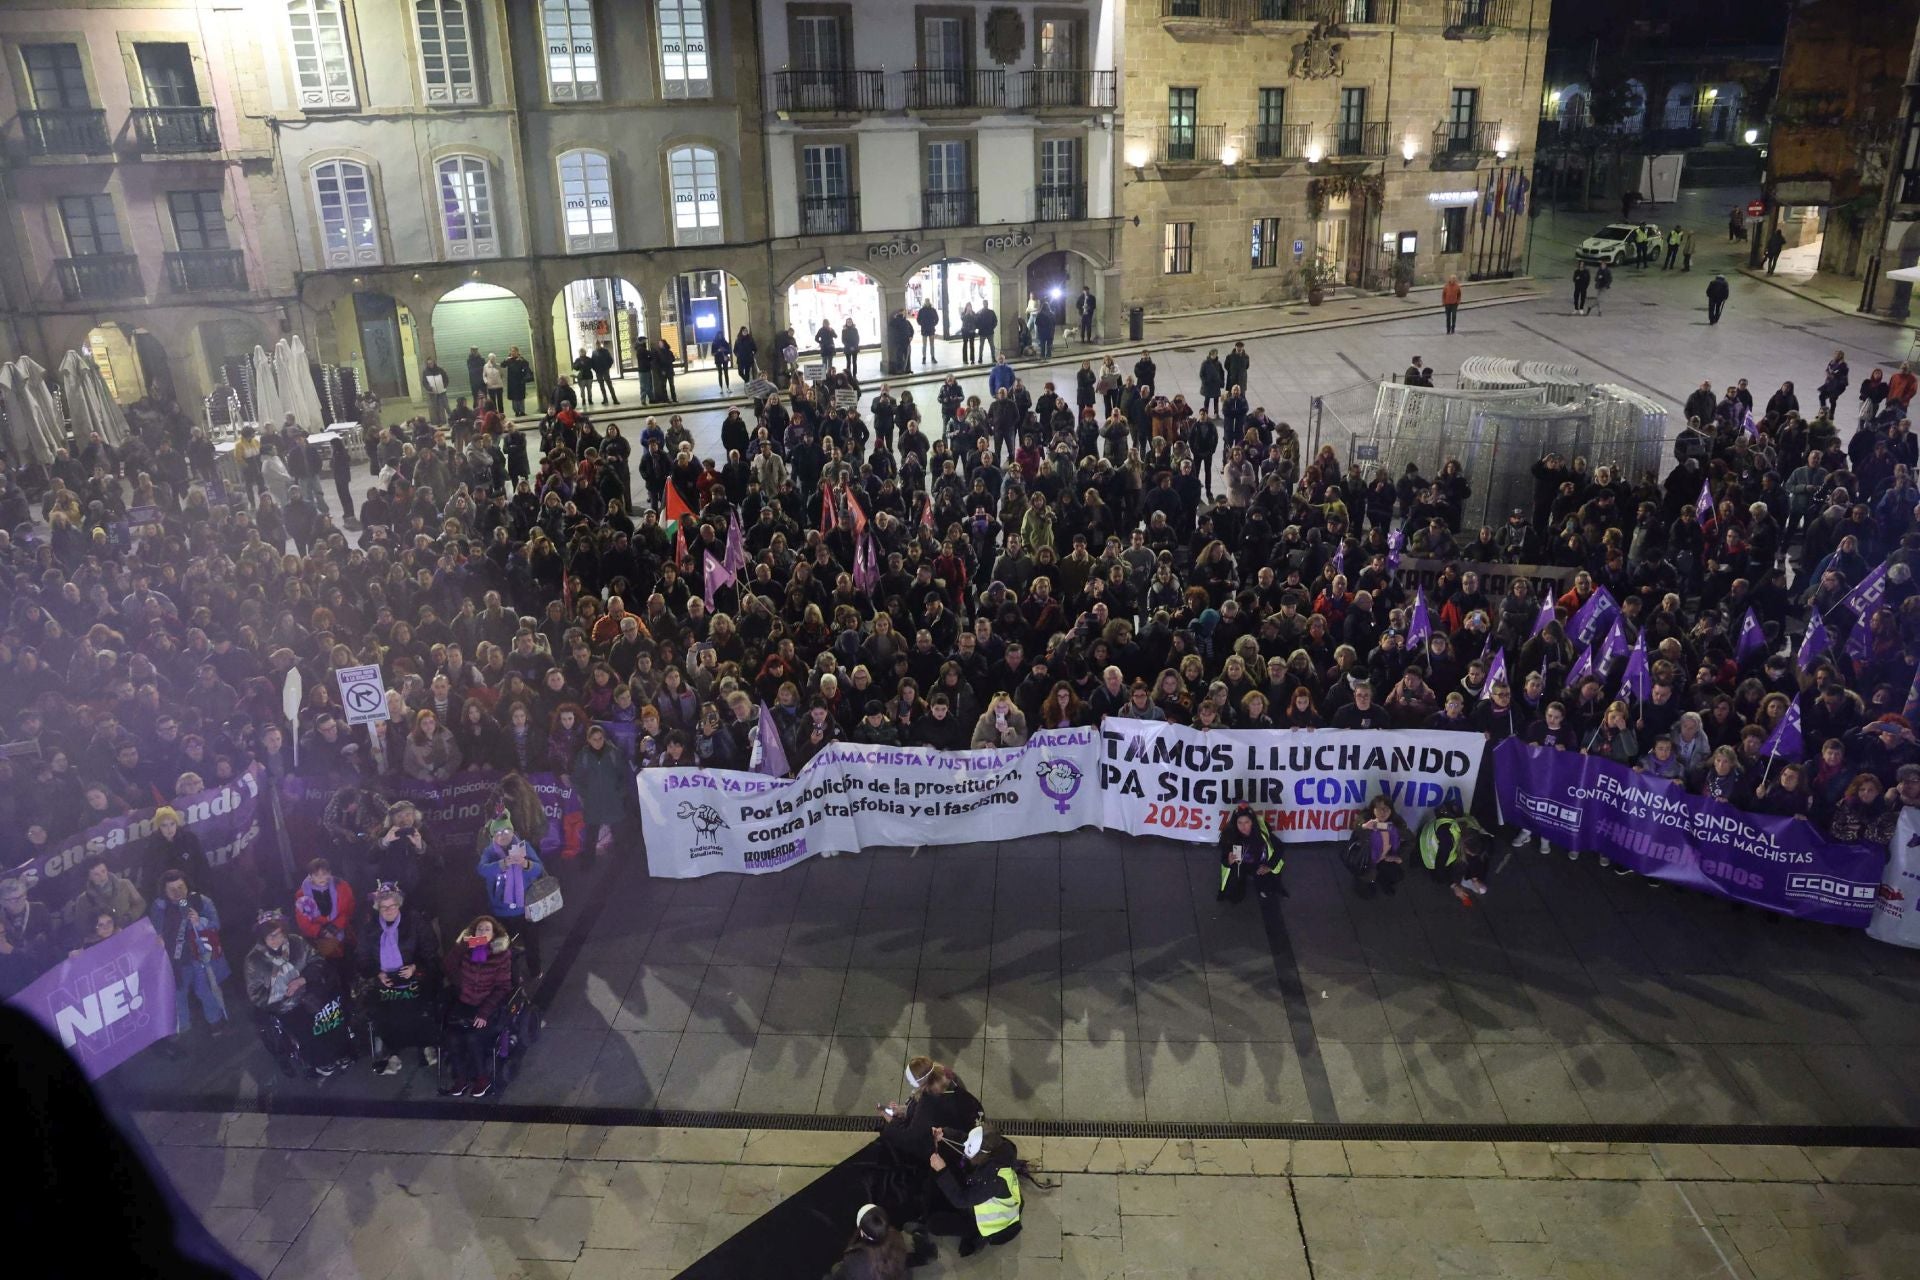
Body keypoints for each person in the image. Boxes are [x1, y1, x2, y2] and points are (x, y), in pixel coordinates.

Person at [245, 910, 353, 1076]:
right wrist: (283, 994)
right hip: (286, 1004)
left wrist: (303, 979)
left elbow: (317, 961)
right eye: (270, 936)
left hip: (312, 990)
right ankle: (321, 1061)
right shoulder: (254, 960)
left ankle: (342, 1052)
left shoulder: (296, 942)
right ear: (262, 937)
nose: (276, 940)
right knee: (307, 1028)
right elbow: (256, 995)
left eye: (279, 934)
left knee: (332, 1016)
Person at [355, 882, 439, 1075]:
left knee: (416, 1007)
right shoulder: (369, 928)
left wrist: (415, 966)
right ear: (378, 909)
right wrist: (377, 972)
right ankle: (393, 1052)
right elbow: (362, 956)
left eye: (393, 905)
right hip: (385, 977)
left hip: (413, 973)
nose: (389, 910)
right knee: (385, 1012)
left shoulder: (415, 921)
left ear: (399, 905)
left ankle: (425, 1045)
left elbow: (430, 947)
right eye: (384, 907)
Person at [149, 869, 230, 1048]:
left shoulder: (201, 901)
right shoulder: (159, 907)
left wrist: (200, 921)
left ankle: (215, 1021)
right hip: (175, 961)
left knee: (205, 990)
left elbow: (216, 924)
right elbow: (154, 930)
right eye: (172, 889)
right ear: (164, 891)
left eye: (181, 887)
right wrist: (158, 938)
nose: (177, 893)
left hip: (200, 957)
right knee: (178, 994)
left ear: (187, 885)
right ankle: (182, 1026)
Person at [442, 915, 515, 1098]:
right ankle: (461, 1078)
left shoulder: (501, 955)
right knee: (453, 1036)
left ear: (494, 934)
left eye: (486, 930)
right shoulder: (467, 951)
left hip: (488, 1006)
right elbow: (448, 966)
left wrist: (484, 1012)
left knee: (474, 1037)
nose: (482, 932)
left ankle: (483, 1078)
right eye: (479, 929)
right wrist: (462, 946)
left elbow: (503, 988)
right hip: (466, 1002)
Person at [926, 1121, 1022, 1256]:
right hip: (989, 1199)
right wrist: (946, 1133)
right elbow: (968, 1140)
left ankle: (974, 1234)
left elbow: (961, 1199)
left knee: (934, 1224)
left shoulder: (993, 1181)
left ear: (981, 1154)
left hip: (991, 1225)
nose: (966, 1145)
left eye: (970, 1147)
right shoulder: (999, 1147)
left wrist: (942, 1171)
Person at [478, 818, 547, 978]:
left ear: (513, 831)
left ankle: (535, 970)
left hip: (525, 907)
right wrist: (501, 864)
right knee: (502, 945)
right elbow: (481, 870)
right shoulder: (489, 852)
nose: (503, 835)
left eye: (506, 831)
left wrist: (525, 864)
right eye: (498, 832)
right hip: (501, 909)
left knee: (532, 943)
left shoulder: (523, 846)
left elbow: (538, 869)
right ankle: (509, 975)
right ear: (493, 836)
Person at [1216, 803, 1284, 903]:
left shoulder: (1262, 832)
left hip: (1259, 863)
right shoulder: (1230, 835)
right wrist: (1229, 861)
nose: (1243, 826)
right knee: (1234, 895)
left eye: (1246, 822)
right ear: (1235, 823)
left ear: (1252, 822)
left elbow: (1280, 846)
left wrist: (1270, 866)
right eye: (1240, 823)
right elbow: (1224, 859)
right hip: (1240, 865)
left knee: (1268, 891)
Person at [1346, 795, 1410, 898]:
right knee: (1367, 894)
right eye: (1380, 808)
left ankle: (1382, 880)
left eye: (1387, 809)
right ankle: (1364, 880)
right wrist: (1367, 826)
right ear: (1373, 810)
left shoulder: (1396, 823)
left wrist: (1399, 856)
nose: (1383, 812)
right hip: (1366, 861)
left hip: (1385, 858)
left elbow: (1410, 839)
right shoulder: (1366, 819)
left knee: (1397, 875)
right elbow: (1359, 827)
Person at [503, 346, 534, 416]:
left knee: (521, 397)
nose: (513, 353)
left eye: (514, 351)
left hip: (520, 381)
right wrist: (506, 359)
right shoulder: (509, 360)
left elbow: (527, 365)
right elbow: (502, 365)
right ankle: (516, 411)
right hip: (512, 382)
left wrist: (521, 359)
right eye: (512, 351)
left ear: (517, 352)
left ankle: (522, 411)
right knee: (514, 398)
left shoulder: (521, 359)